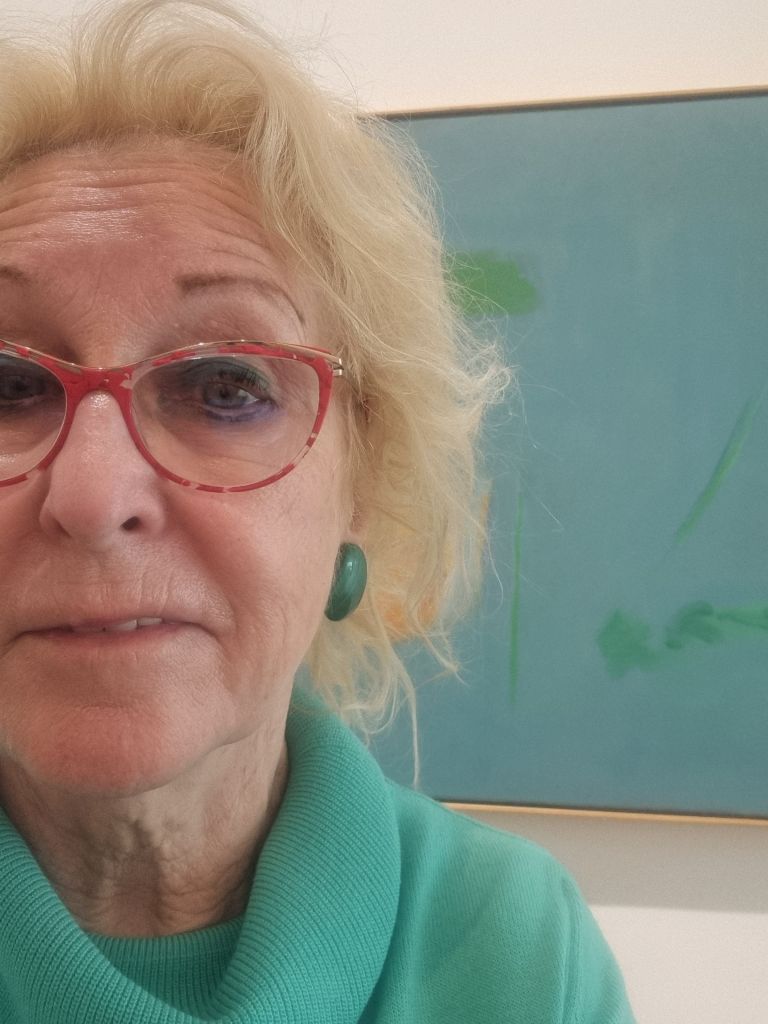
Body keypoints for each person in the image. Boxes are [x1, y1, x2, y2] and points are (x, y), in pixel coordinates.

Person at [0, 1, 635, 1020]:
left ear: (363, 482)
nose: (93, 494)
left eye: (224, 387)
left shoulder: (515, 948)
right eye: (7, 387)